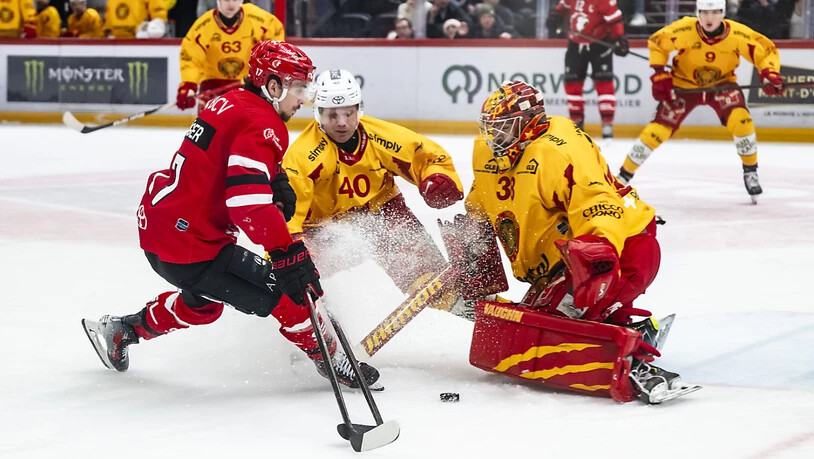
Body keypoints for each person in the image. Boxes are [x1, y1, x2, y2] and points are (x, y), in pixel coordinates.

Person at [81, 41, 381, 391]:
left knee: (203, 304)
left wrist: (276, 175)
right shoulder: (264, 122)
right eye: (298, 88)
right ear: (273, 86)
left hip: (161, 226)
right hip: (193, 244)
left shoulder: (229, 102)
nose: (303, 98)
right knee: (290, 298)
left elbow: (226, 157)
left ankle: (122, 330)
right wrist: (287, 253)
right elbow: (247, 204)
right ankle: (335, 362)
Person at [463, 80, 697, 403]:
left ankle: (636, 361)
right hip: (571, 257)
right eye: (491, 129)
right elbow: (482, 201)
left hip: (624, 247)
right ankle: (634, 325)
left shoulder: (559, 150)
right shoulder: (491, 154)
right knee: (541, 316)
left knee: (563, 318)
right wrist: (471, 240)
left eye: (503, 129)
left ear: (529, 123)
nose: (493, 139)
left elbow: (598, 203)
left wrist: (600, 253)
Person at [282, 68, 465, 312]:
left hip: (384, 216)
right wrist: (293, 244)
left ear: (359, 109)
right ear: (318, 114)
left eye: (349, 112)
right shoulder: (302, 155)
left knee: (436, 288)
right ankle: (304, 330)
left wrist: (438, 178)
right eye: (331, 115)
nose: (342, 122)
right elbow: (286, 213)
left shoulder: (380, 136)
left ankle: (485, 319)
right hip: (321, 232)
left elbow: (428, 157)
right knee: (288, 279)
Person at [617, 0, 784, 204]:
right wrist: (659, 73)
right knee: (656, 131)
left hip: (722, 86)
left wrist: (769, 74)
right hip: (684, 85)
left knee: (742, 122)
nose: (709, 18)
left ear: (722, 13)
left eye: (714, 12)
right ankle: (623, 176)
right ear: (698, 13)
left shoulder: (738, 35)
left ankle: (750, 172)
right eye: (704, 12)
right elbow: (657, 42)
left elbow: (765, 51)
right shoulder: (685, 29)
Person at [177, 0, 285, 112]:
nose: (231, 4)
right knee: (210, 128)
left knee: (249, 127)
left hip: (248, 86)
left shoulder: (261, 21)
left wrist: (265, 72)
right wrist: (189, 85)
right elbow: (191, 58)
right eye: (227, 0)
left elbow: (275, 46)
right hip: (213, 88)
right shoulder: (202, 27)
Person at [547, 0, 629, 139]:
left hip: (599, 45)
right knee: (572, 85)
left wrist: (618, 38)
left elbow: (615, 21)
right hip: (575, 44)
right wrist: (555, 17)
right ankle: (577, 125)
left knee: (604, 84)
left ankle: (607, 127)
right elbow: (562, 9)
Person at [103, 0, 168, 38]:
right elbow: (110, 13)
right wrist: (109, 31)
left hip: (141, 41)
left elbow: (158, 10)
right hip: (117, 43)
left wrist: (157, 23)